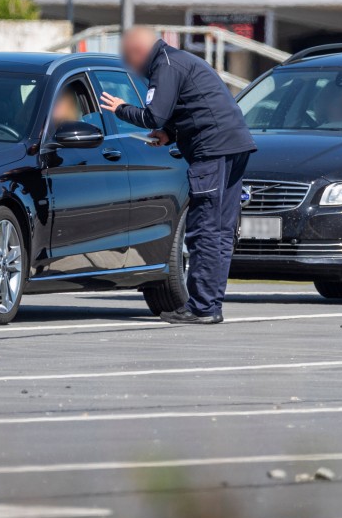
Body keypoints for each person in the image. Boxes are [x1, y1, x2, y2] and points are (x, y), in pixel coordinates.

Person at [99, 27, 257, 325]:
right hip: (233, 146)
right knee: (221, 231)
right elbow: (193, 106)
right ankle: (210, 304)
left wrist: (121, 109)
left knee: (205, 229)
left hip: (212, 151)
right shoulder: (179, 60)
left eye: (128, 57)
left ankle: (202, 307)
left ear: (138, 51)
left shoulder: (164, 66)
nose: (129, 65)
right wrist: (170, 133)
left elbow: (152, 115)